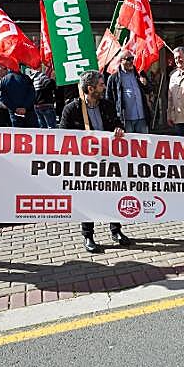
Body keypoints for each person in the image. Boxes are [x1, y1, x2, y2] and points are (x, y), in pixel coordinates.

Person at [59, 70, 131, 253]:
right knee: (88, 198)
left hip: (108, 159)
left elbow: (117, 123)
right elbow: (63, 137)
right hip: (86, 163)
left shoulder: (106, 105)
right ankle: (88, 236)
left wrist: (118, 129)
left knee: (113, 193)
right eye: (101, 85)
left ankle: (116, 230)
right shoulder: (72, 109)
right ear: (90, 89)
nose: (104, 87)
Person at [105, 50, 152, 134]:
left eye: (132, 59)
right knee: (127, 142)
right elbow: (109, 100)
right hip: (125, 120)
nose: (131, 61)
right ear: (121, 61)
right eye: (128, 59)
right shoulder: (113, 78)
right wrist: (115, 120)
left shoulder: (139, 74)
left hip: (142, 118)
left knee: (144, 141)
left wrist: (145, 84)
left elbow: (149, 89)